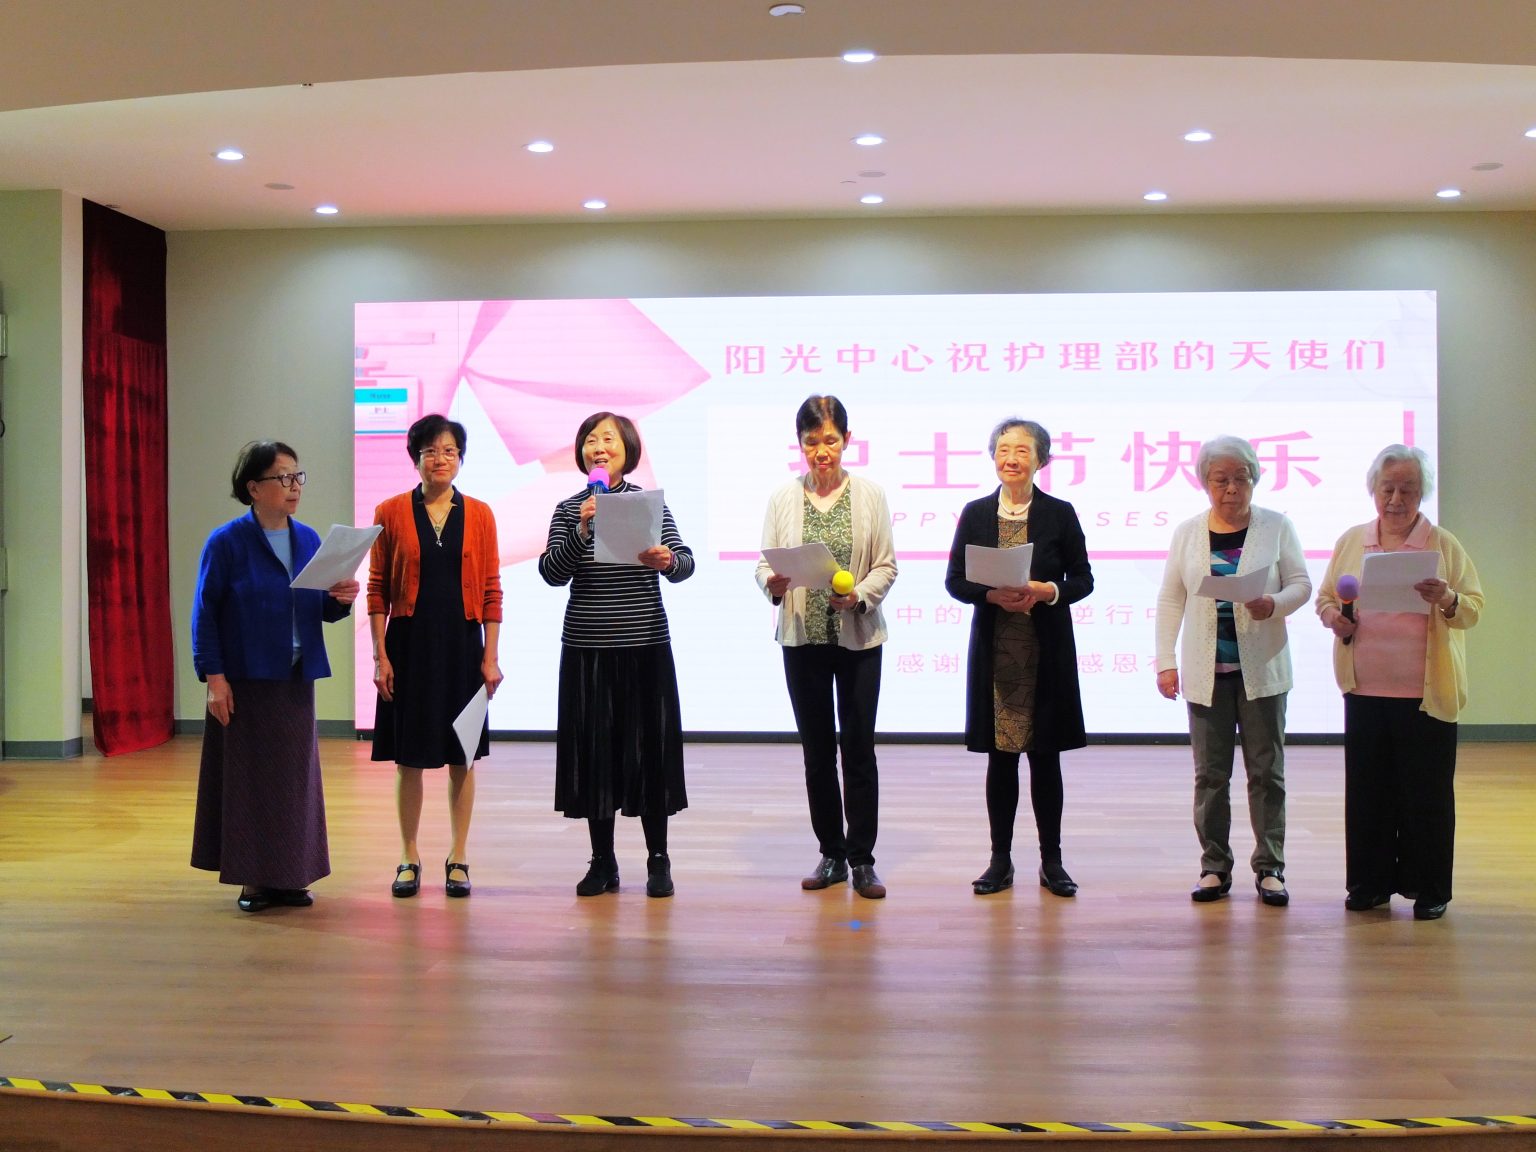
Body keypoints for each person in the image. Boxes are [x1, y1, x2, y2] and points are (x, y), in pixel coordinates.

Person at [1317, 445, 1483, 921]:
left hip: (1426, 695)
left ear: (1421, 492)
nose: (1395, 499)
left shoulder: (1442, 544)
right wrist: (1334, 618)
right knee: (1368, 794)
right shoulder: (1352, 540)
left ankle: (1429, 889)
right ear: (1373, 489)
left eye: (1407, 489)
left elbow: (1473, 608)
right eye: (1387, 488)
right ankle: (1368, 886)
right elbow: (1326, 597)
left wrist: (1447, 597)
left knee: (1426, 796)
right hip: (1364, 690)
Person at [191, 441, 358, 912]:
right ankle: (252, 880)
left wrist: (340, 600)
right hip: (244, 682)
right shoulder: (226, 542)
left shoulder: (308, 539)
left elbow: (317, 607)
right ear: (253, 488)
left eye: (297, 476)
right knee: (248, 784)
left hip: (294, 681)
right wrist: (215, 679)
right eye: (283, 478)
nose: (294, 486)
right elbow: (204, 614)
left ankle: (291, 876)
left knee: (293, 785)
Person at [539, 412, 694, 898]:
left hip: (645, 645)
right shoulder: (569, 510)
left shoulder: (647, 505)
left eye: (609, 439)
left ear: (628, 450)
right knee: (596, 756)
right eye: (591, 439)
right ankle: (602, 861)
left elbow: (685, 563)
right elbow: (551, 573)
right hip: (588, 649)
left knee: (650, 754)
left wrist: (667, 560)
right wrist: (583, 530)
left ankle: (658, 859)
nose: (599, 447)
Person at [1155, 435, 1312, 906]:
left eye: (1240, 478)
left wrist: (1273, 603)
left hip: (1262, 671)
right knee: (1210, 776)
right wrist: (1165, 661)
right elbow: (1171, 598)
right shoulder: (1188, 532)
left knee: (1267, 772)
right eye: (1220, 479)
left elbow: (1301, 584)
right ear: (1204, 482)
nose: (1231, 488)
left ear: (1255, 479)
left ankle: (1270, 867)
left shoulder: (1276, 526)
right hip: (1207, 674)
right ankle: (1214, 866)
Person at [945, 419, 1094, 898]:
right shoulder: (976, 513)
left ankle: (1052, 861)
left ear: (1041, 460)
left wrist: (1047, 590)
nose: (1011, 458)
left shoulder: (1060, 513)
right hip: (997, 654)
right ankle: (1000, 860)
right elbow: (955, 581)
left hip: (1044, 652)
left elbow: (1083, 579)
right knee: (1001, 759)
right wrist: (991, 595)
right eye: (1003, 450)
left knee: (1045, 759)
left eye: (1022, 450)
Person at [757, 396, 897, 899]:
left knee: (858, 749)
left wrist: (857, 596)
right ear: (799, 444)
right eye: (812, 441)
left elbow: (886, 565)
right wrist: (772, 584)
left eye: (831, 440)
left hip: (857, 638)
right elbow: (764, 565)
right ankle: (831, 854)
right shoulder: (783, 498)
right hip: (802, 640)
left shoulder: (870, 495)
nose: (822, 451)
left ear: (847, 440)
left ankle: (862, 859)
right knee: (817, 752)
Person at [369, 414, 503, 899]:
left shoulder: (481, 514)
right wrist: (380, 657)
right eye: (430, 451)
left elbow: (491, 591)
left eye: (449, 451)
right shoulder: (389, 511)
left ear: (460, 458)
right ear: (416, 458)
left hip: (463, 650)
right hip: (409, 648)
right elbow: (377, 590)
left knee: (462, 756)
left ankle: (458, 856)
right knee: (409, 759)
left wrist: (490, 657)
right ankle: (409, 855)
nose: (440, 459)